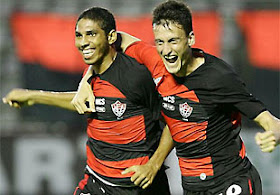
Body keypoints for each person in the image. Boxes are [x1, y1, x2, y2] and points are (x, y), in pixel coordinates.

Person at [73, 1, 280, 194]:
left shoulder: (218, 77)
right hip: (192, 186)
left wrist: (275, 133)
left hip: (231, 181)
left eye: (173, 41)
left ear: (190, 39)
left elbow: (269, 120)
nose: (166, 50)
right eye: (160, 42)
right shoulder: (156, 62)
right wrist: (85, 80)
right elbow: (112, 38)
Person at [3, 7, 173, 195]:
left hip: (135, 185)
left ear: (110, 38)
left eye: (91, 34)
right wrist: (33, 96)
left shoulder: (136, 76)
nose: (83, 43)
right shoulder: (90, 74)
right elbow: (82, 102)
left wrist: (154, 164)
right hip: (96, 181)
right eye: (79, 36)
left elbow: (175, 117)